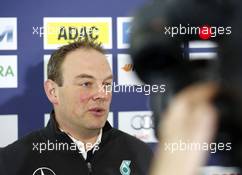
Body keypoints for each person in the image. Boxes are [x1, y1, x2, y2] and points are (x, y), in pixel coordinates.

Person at [0, 38, 153, 175]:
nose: (102, 94)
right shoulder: (12, 162)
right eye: (86, 84)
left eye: (106, 84)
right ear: (53, 92)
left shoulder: (140, 154)